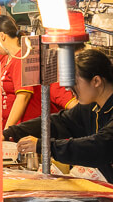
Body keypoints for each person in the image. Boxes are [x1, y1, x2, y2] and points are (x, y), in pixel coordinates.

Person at [6, 49, 113, 181]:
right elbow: (59, 122)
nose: (68, 88)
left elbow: (100, 147)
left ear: (96, 81)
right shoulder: (92, 107)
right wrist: (10, 133)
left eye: (74, 81)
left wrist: (44, 146)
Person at [0, 14, 40, 128]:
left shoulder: (21, 58)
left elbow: (23, 97)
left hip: (20, 128)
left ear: (2, 36)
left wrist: (7, 130)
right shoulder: (5, 57)